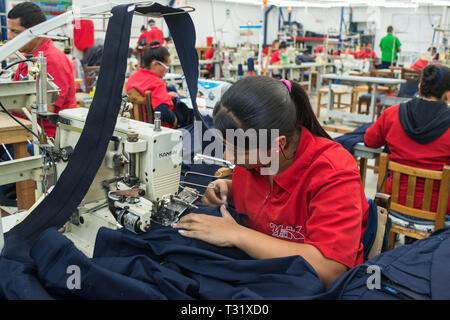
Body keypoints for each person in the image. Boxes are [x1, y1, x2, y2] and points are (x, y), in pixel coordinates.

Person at [172, 76, 369, 286]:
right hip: (259, 270)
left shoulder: (333, 173)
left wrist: (237, 234)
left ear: (278, 144)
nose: (229, 158)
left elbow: (330, 269)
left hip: (303, 286)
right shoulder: (256, 161)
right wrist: (229, 191)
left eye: (238, 150)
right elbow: (268, 199)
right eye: (225, 145)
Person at [364, 64, 450, 216]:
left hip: (393, 204)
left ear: (419, 87)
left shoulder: (392, 114)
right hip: (438, 211)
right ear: (448, 95)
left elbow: (370, 140)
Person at [7, 2, 76, 138]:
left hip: (47, 138)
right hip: (26, 129)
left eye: (15, 31)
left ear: (36, 31)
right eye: (9, 30)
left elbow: (47, 109)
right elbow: (20, 96)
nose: (9, 37)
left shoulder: (51, 60)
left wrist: (5, 103)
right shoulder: (30, 57)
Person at [125, 41, 192, 128]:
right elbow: (162, 113)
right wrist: (176, 120)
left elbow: (149, 98)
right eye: (167, 67)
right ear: (155, 64)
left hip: (139, 126)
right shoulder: (157, 83)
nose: (167, 70)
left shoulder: (132, 78)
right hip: (161, 130)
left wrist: (166, 97)